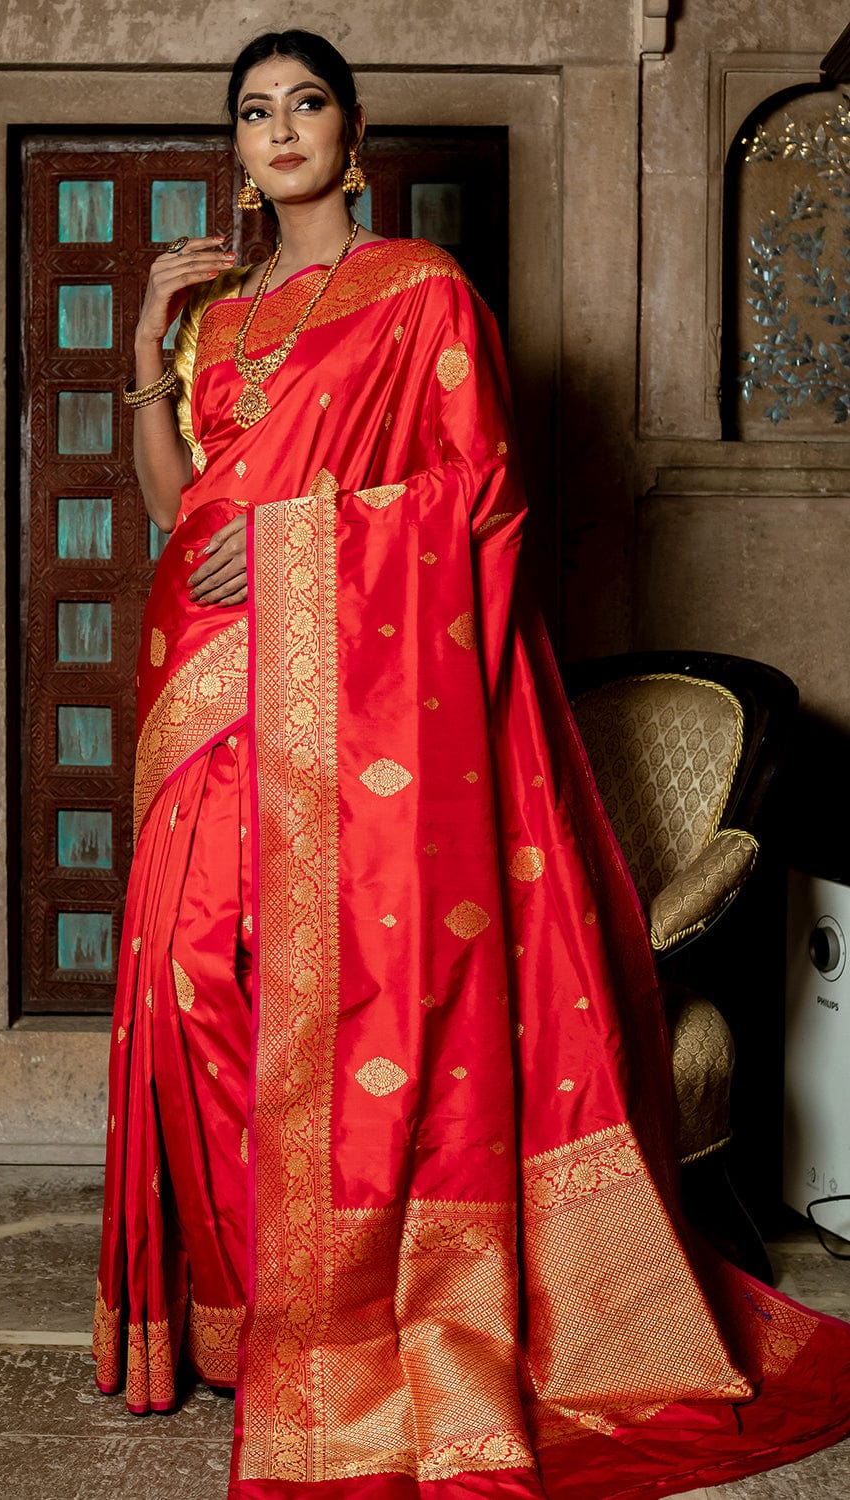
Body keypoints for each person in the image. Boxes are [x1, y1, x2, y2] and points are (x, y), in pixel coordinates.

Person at [93, 28, 850, 1499]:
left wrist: (305, 551)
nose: (282, 131)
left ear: (352, 128)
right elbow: (179, 518)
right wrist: (143, 354)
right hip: (210, 683)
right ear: (237, 149)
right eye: (255, 114)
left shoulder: (421, 295)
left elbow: (478, 494)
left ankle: (356, 1307)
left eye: (306, 104)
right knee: (192, 978)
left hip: (355, 702)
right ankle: (254, 1303)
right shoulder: (217, 315)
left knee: (333, 986)